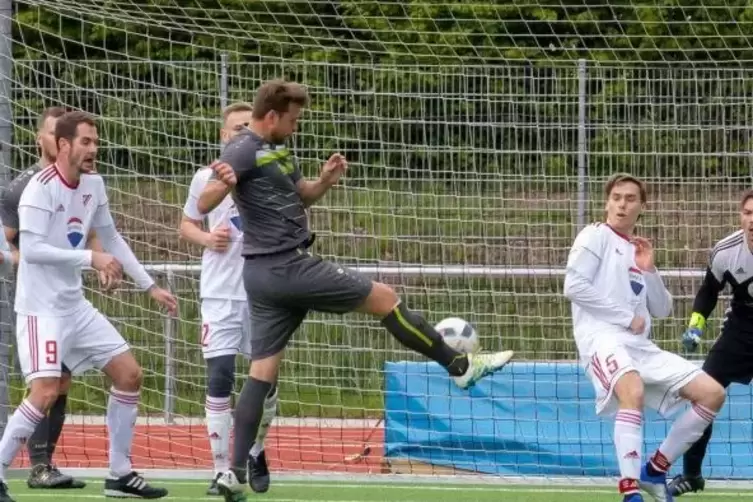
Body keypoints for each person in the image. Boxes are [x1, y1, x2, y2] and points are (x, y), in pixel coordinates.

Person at [197, 79, 515, 501]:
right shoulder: (242, 147)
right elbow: (204, 202)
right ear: (272, 116)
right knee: (384, 297)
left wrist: (324, 181)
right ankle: (459, 367)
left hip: (263, 275)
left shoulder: (276, 148)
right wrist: (221, 182)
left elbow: (300, 196)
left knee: (262, 371)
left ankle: (233, 472)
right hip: (286, 266)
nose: (295, 127)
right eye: (291, 120)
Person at [0, 110, 178, 502]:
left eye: (96, 141)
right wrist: (89, 260)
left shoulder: (94, 184)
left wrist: (149, 286)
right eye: (86, 141)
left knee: (129, 374)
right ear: (63, 145)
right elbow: (31, 251)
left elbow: (112, 238)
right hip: (40, 311)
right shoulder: (38, 188)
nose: (94, 149)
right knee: (45, 391)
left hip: (74, 307)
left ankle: (119, 475)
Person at [564, 173, 726, 502]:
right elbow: (574, 287)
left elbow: (663, 308)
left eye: (630, 199)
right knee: (632, 390)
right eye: (617, 197)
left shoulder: (636, 250)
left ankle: (655, 469)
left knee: (712, 393)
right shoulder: (594, 235)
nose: (622, 204)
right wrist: (626, 318)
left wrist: (649, 269)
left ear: (642, 207)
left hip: (641, 347)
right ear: (607, 203)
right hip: (603, 340)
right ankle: (630, 492)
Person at [180, 102, 277, 495]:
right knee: (219, 377)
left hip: (263, 294)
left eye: (246, 128)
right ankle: (222, 470)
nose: (240, 135)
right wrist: (206, 238)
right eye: (234, 129)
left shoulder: (270, 174)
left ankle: (255, 449)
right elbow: (186, 224)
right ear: (224, 136)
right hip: (220, 294)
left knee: (266, 385)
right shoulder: (205, 178)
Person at [0, 106, 92, 490]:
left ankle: (44, 463)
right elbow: (8, 243)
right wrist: (27, 259)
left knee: (62, 382)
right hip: (36, 299)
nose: (60, 140)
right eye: (53, 133)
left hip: (69, 297)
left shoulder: (82, 182)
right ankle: (33, 464)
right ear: (43, 139)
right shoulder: (25, 186)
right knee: (44, 384)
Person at [667, 189, 753, 496]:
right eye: (748, 213)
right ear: (741, 217)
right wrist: (695, 326)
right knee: (704, 394)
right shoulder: (725, 252)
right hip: (742, 329)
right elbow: (709, 291)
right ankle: (692, 475)